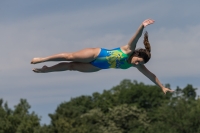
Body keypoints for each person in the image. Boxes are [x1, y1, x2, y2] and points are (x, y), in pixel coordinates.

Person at [31, 19, 174, 94]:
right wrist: (142, 26)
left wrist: (162, 87)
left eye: (139, 64)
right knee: (70, 56)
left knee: (72, 66)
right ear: (136, 54)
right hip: (97, 54)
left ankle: (46, 70)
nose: (137, 64)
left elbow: (151, 76)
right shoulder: (128, 49)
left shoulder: (134, 65)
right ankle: (43, 59)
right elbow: (136, 37)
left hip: (97, 66)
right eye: (138, 61)